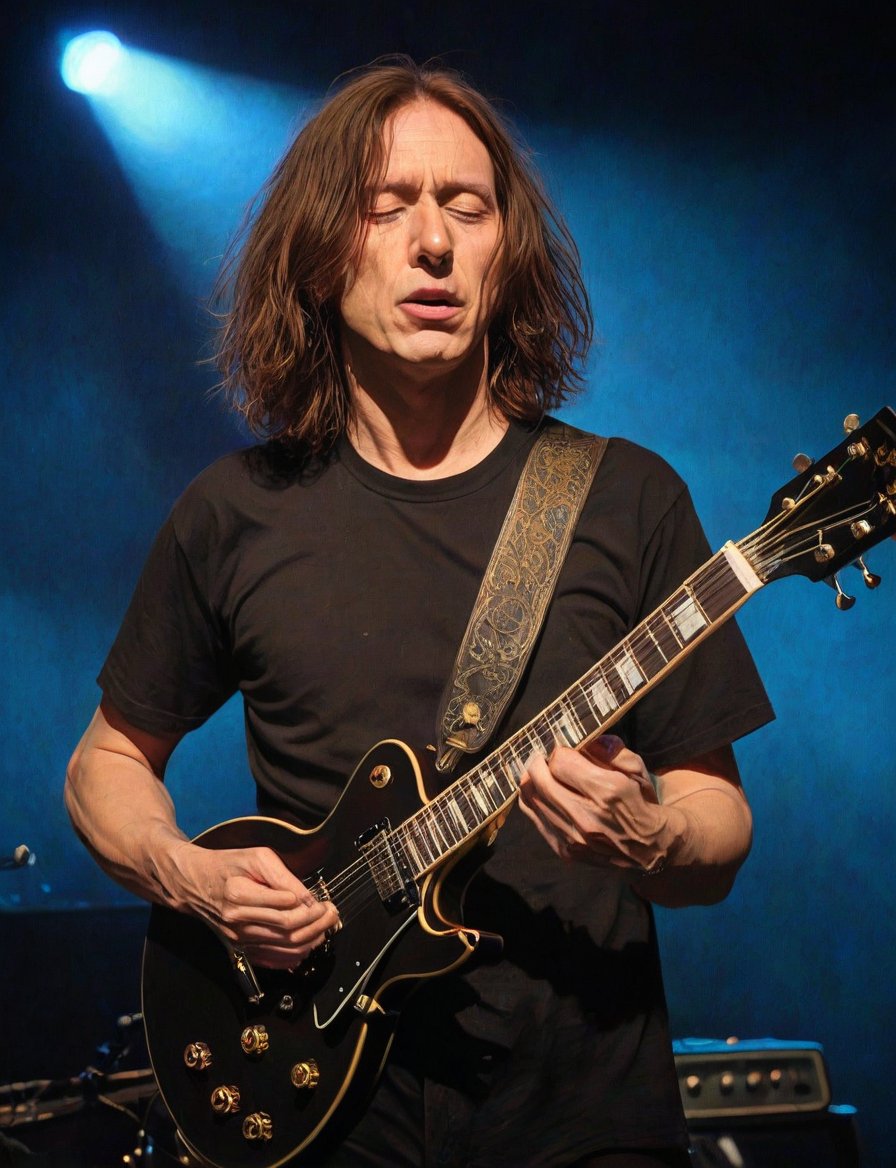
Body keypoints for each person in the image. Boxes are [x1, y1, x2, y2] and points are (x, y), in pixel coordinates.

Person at [65, 59, 773, 1168]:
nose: (431, 242)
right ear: (316, 255)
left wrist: (650, 835)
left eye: (466, 206)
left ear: (506, 252)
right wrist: (189, 875)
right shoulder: (234, 513)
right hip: (321, 1110)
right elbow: (103, 764)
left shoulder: (623, 497)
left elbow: (715, 827)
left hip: (582, 1107)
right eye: (384, 206)